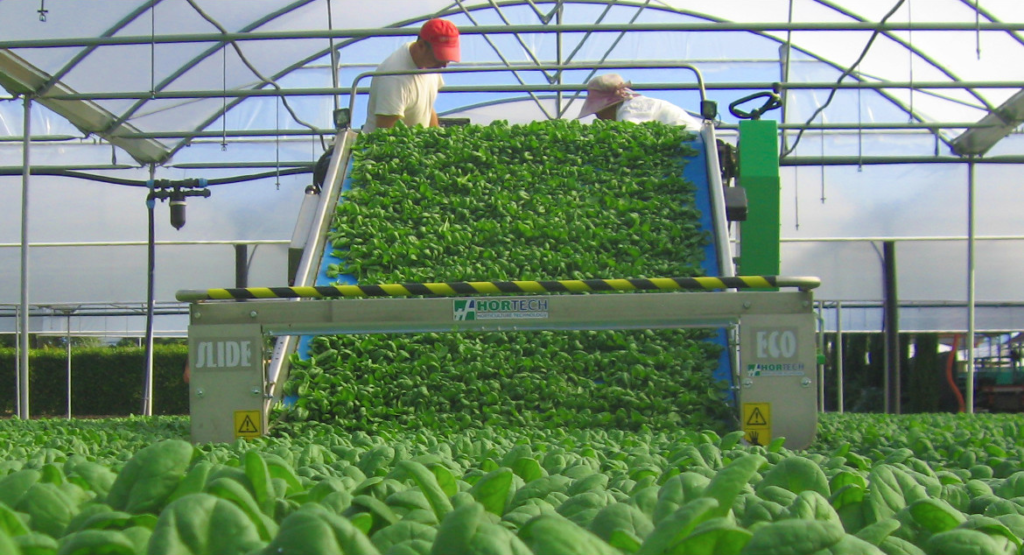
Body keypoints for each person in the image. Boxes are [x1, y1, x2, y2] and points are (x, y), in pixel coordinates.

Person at [363, 18, 461, 132]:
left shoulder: (430, 64)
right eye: (440, 57)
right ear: (421, 46)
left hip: (415, 143)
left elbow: (427, 108)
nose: (444, 65)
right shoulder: (395, 77)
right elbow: (385, 134)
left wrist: (437, 136)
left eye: (447, 58)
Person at [577, 73, 703, 130]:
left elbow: (629, 136)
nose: (598, 117)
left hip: (692, 142)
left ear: (609, 106)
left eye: (599, 111)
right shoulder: (637, 104)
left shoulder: (633, 108)